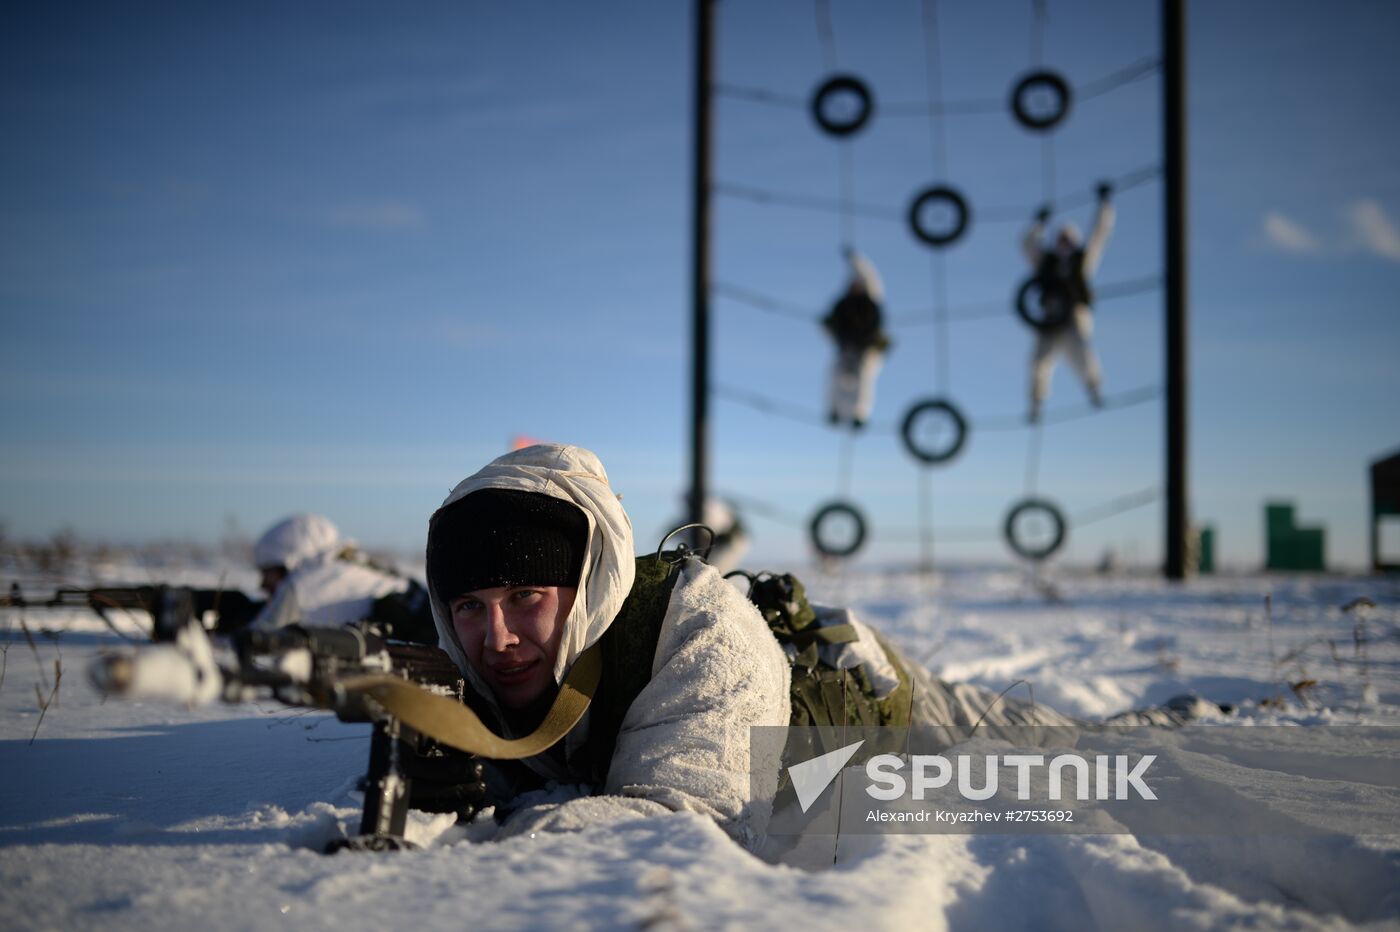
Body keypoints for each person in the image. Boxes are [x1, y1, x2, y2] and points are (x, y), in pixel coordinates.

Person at [251, 513, 434, 642]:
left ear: (287, 564)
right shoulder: (356, 567)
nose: (262, 584)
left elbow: (258, 637)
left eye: (267, 573)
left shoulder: (302, 582)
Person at [1022, 182, 1115, 423]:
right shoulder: (1047, 261)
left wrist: (1105, 205)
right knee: (1039, 361)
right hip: (1051, 315)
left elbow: (1099, 235)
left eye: (1068, 239)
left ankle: (1094, 390)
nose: (1064, 243)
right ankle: (1036, 404)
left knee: (1083, 355)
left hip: (1074, 314)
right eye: (1061, 239)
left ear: (1073, 240)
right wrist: (1038, 224)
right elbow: (1028, 244)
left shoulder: (1082, 260)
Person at [822, 248, 891, 430]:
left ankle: (859, 414)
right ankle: (834, 411)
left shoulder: (871, 298)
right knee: (835, 375)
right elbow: (831, 329)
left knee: (864, 378)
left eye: (858, 283)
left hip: (867, 348)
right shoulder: (843, 304)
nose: (855, 286)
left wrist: (854, 259)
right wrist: (827, 327)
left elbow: (869, 275)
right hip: (846, 348)